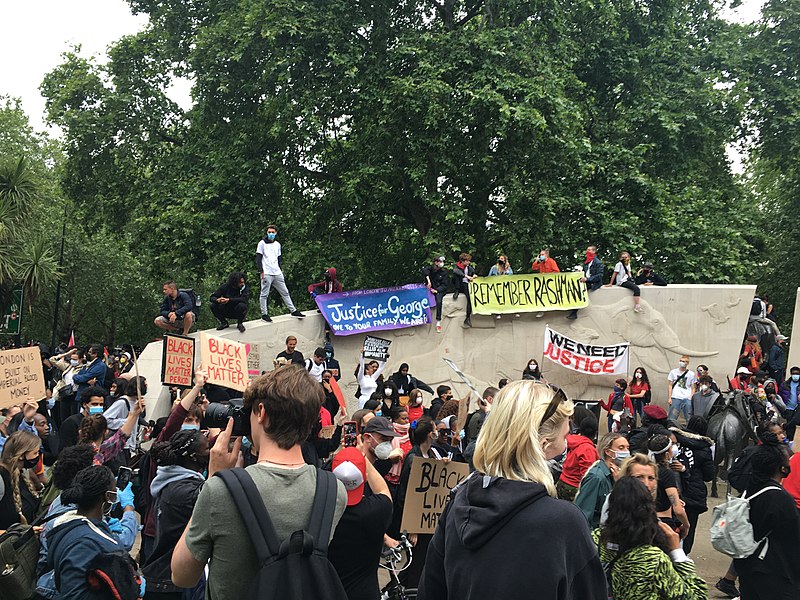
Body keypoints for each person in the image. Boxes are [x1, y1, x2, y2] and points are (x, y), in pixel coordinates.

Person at [171, 366, 347, 600]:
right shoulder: (335, 491)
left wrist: (214, 478)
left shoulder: (221, 491)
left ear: (261, 411)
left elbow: (182, 576)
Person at [418, 381, 607, 599]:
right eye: (564, 437)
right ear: (542, 446)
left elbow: (430, 591)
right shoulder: (565, 522)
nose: (567, 446)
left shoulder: (458, 504)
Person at [596, 477, 707, 600]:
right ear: (649, 509)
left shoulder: (597, 540)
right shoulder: (652, 559)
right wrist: (678, 552)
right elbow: (697, 597)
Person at [46, 465, 141, 599]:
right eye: (115, 492)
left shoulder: (68, 527)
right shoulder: (85, 542)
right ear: (108, 497)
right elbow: (74, 594)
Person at [142, 430, 210, 599]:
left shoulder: (171, 482)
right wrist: (218, 470)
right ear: (194, 456)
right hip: (170, 585)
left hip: (165, 579)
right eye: (207, 448)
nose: (211, 452)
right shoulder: (184, 492)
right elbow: (213, 498)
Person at [733, 439, 799, 599]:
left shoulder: (749, 491)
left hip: (747, 568)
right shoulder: (781, 499)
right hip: (775, 571)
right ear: (781, 468)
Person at [328, 447, 393, 600]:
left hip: (329, 592)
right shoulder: (377, 511)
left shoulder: (323, 512)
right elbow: (383, 491)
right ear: (364, 477)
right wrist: (363, 458)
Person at [672, 417, 715, 554]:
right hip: (693, 494)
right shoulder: (705, 449)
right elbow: (709, 475)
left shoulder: (675, 441)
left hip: (674, 491)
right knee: (689, 528)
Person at [575, 432, 629, 528]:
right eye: (621, 448)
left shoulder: (617, 475)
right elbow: (583, 514)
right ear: (608, 451)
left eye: (627, 448)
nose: (626, 452)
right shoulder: (596, 477)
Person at [254, 224, 305, 321]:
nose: (271, 234)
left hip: (277, 272)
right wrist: (261, 271)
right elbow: (258, 258)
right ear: (266, 233)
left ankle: (293, 310)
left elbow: (279, 258)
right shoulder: (262, 244)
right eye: (269, 232)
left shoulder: (277, 244)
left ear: (276, 233)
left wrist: (280, 269)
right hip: (267, 272)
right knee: (264, 294)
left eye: (273, 232)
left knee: (285, 292)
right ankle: (264, 314)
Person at [78, 396, 143, 468]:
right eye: (95, 404)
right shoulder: (102, 451)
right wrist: (134, 414)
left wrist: (134, 414)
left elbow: (120, 437)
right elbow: (121, 437)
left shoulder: (98, 449)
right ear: (106, 432)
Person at [647, 434, 691, 540]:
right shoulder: (666, 473)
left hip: (646, 521)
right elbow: (678, 510)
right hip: (664, 523)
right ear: (667, 454)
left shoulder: (645, 470)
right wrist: (686, 525)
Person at [0, 431, 42, 528]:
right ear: (22, 455)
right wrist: (17, 533)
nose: (37, 456)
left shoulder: (22, 473)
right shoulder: (1, 479)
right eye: (35, 453)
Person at [557, 414, 599, 501]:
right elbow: (588, 475)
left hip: (562, 482)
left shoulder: (570, 441)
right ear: (595, 433)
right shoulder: (588, 449)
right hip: (573, 488)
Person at [58, 385, 107, 454]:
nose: (98, 407)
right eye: (94, 404)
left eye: (101, 404)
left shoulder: (101, 422)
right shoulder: (71, 422)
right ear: (85, 404)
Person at [568, 245, 604, 320]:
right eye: (587, 250)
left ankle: (574, 312)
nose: (587, 251)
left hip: (593, 283)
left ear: (594, 251)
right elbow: (587, 272)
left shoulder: (598, 263)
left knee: (580, 292)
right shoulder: (587, 261)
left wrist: (588, 279)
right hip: (586, 280)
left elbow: (599, 275)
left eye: (589, 250)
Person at [308, 267, 343, 340]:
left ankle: (327, 333)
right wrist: (312, 292)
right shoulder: (326, 283)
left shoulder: (338, 285)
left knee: (327, 313)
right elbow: (312, 286)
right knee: (315, 290)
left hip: (333, 303)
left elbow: (340, 297)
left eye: (328, 276)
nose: (326, 277)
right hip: (325, 301)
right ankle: (320, 306)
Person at [423, 256, 449, 332]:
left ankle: (438, 321)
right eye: (440, 261)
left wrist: (437, 290)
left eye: (442, 262)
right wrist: (428, 281)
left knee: (439, 301)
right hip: (430, 289)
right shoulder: (430, 269)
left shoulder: (444, 272)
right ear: (435, 262)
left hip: (439, 290)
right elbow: (425, 270)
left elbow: (445, 285)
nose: (442, 263)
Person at [667, 356, 696, 423]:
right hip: (675, 397)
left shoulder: (691, 374)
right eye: (681, 361)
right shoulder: (673, 372)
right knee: (672, 417)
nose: (681, 363)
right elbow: (670, 385)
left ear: (687, 363)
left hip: (687, 397)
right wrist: (669, 397)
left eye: (684, 361)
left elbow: (693, 388)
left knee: (689, 418)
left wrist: (690, 398)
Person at [452, 252, 476, 327]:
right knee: (456, 276)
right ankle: (457, 291)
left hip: (466, 285)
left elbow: (473, 273)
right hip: (459, 284)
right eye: (467, 261)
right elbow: (456, 271)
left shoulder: (470, 268)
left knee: (470, 298)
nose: (469, 262)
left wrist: (474, 276)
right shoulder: (457, 266)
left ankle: (467, 317)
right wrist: (466, 276)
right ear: (463, 261)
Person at [779, 366, 800, 442]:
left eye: (797, 374)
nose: (795, 375)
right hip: (789, 409)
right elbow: (780, 395)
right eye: (794, 374)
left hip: (798, 408)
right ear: (791, 374)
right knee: (790, 429)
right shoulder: (785, 384)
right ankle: (790, 441)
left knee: (796, 426)